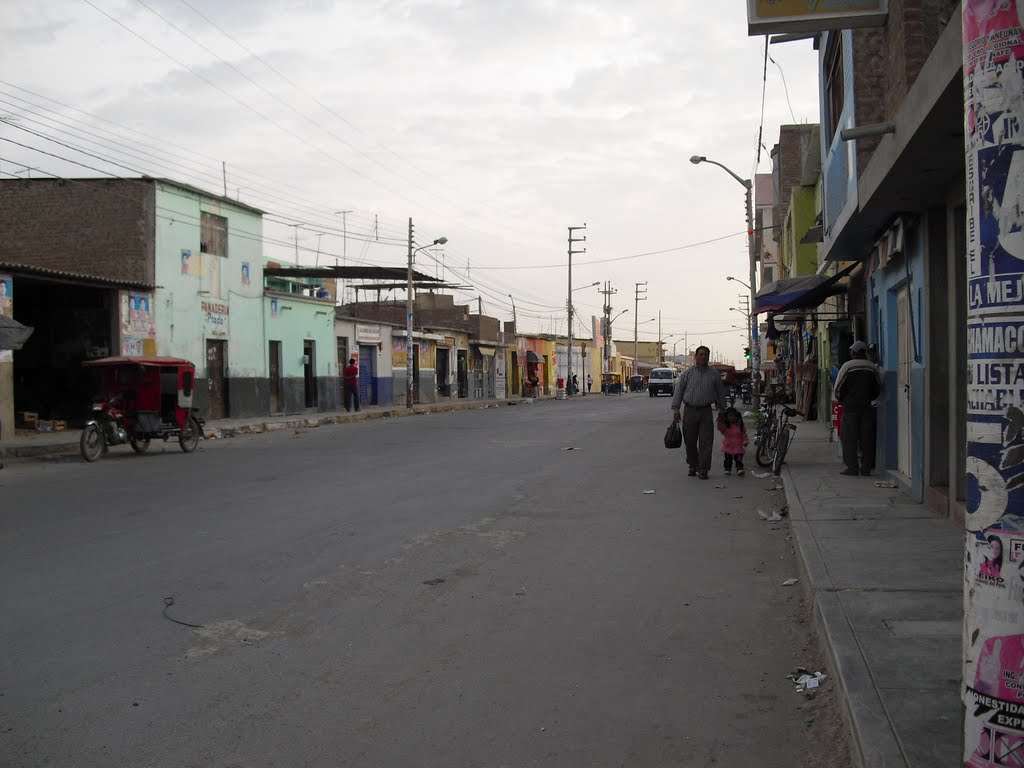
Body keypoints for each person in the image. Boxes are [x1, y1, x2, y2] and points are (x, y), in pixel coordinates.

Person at [671, 345, 727, 480]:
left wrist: (722, 410)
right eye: (700, 354)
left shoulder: (714, 374)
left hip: (706, 412)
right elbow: (679, 391)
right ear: (695, 357)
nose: (703, 357)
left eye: (705, 355)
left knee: (706, 442)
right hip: (690, 411)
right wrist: (676, 410)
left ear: (708, 357)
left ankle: (703, 469)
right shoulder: (687, 374)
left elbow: (720, 393)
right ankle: (693, 465)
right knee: (690, 441)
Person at [833, 340, 882, 476]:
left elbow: (838, 388)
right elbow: (877, 389)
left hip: (850, 409)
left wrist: (842, 400)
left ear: (853, 352)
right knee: (866, 438)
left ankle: (852, 467)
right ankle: (866, 467)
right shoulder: (872, 367)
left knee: (849, 439)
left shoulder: (847, 366)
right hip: (866, 407)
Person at [717, 405, 749, 476]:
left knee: (739, 459)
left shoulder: (740, 425)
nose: (732, 418)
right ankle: (728, 469)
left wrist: (745, 441)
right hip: (728, 445)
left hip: (738, 446)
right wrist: (720, 419)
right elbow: (720, 427)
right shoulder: (726, 426)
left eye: (733, 416)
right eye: (730, 416)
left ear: (736, 416)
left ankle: (739, 469)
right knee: (728, 459)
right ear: (727, 417)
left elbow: (743, 434)